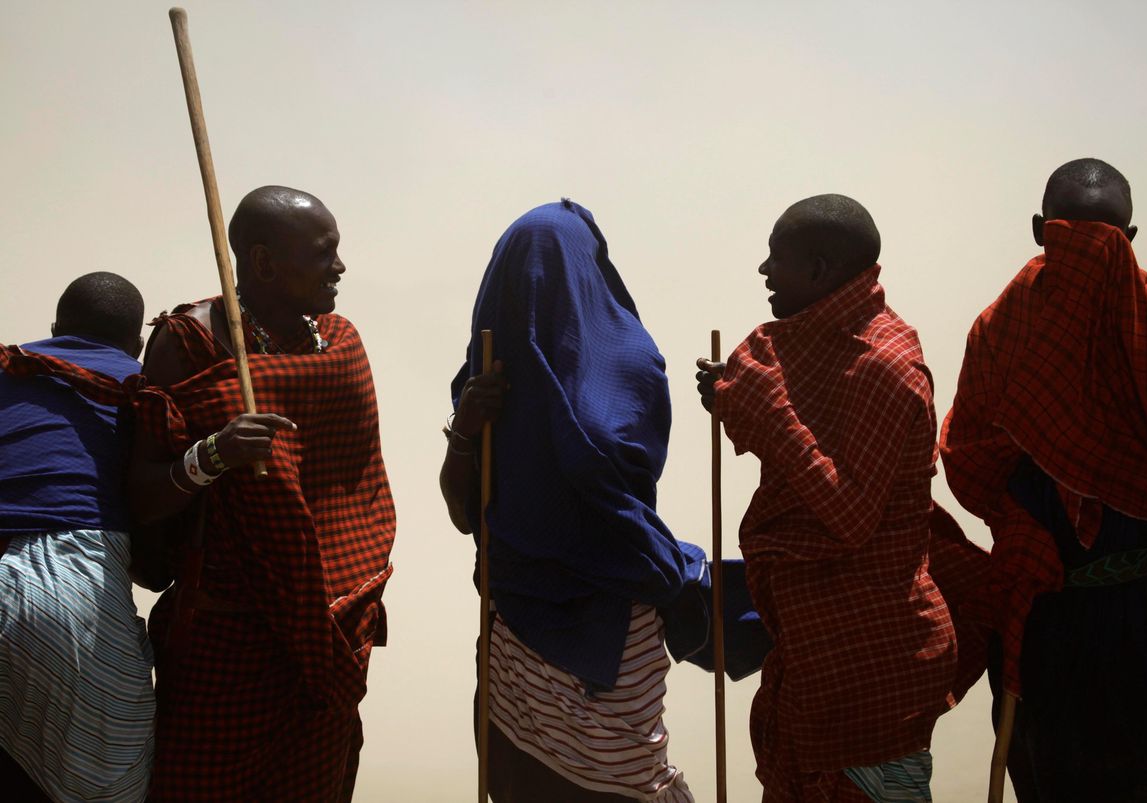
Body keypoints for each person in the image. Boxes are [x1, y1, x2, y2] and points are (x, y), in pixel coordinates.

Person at [696, 194, 988, 802]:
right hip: (814, 662)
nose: (763, 271)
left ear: (821, 269)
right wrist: (732, 397)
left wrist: (764, 409)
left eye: (778, 258)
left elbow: (848, 516)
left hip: (873, 672)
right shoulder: (813, 344)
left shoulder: (884, 364)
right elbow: (793, 426)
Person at [940, 158, 1147, 801]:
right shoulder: (1002, 326)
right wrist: (1015, 523)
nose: (1089, 254)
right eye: (1072, 235)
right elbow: (967, 450)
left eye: (1106, 241)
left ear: (1129, 242)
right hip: (1051, 596)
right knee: (1054, 767)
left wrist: (1125, 326)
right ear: (1039, 231)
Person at [127, 186, 396, 801]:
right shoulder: (189, 344)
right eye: (324, 253)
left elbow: (359, 488)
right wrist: (212, 456)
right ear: (264, 262)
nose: (340, 267)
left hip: (329, 634)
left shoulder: (340, 342)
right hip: (225, 641)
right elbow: (141, 497)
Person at [441, 199, 695, 802]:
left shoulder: (630, 365)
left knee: (622, 780)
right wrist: (465, 431)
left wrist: (568, 431)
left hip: (612, 618)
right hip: (515, 616)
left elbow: (609, 469)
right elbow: (464, 513)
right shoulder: (489, 372)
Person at [0, 272, 155, 802]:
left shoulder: (9, 364)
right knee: (104, 778)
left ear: (53, 329)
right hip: (72, 583)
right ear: (136, 345)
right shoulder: (145, 389)